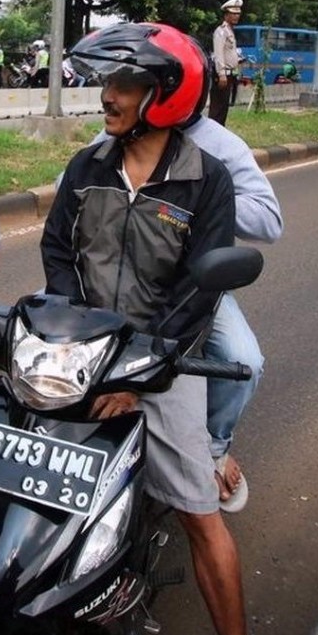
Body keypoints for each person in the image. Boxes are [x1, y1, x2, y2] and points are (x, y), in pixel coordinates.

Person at [0, 22, 249, 635]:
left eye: (124, 84)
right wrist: (53, 323)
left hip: (157, 363)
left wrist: (146, 376)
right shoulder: (88, 165)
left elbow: (201, 290)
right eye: (107, 82)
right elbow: (59, 249)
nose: (106, 96)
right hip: (75, 352)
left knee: (200, 515)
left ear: (163, 94)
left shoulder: (206, 180)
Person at [85, 97, 283, 514]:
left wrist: (198, 198)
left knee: (242, 359)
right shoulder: (120, 130)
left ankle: (212, 447)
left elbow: (269, 220)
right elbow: (78, 192)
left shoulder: (219, 145)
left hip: (187, 281)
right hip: (112, 273)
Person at [209, 0, 242, 126]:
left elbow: (229, 53)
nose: (236, 16)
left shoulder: (230, 31)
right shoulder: (221, 31)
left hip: (230, 74)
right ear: (226, 15)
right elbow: (218, 53)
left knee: (223, 109)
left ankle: (219, 135)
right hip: (223, 75)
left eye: (238, 14)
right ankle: (211, 136)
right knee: (217, 109)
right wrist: (221, 73)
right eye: (233, 14)